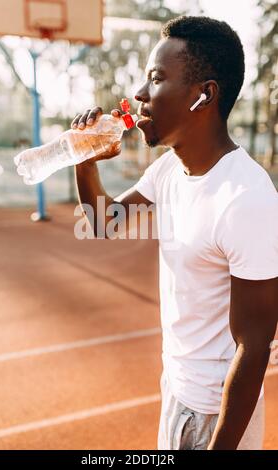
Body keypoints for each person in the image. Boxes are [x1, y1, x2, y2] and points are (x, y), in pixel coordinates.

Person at [71, 16, 278, 450]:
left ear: (204, 95)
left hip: (218, 412)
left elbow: (255, 345)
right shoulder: (168, 168)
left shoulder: (247, 197)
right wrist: (84, 159)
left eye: (156, 79)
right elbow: (104, 223)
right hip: (176, 388)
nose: (140, 95)